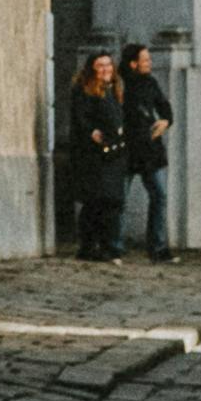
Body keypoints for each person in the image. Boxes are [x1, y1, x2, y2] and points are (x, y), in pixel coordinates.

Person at [113, 38, 179, 262]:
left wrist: (166, 121)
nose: (149, 63)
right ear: (133, 63)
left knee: (160, 195)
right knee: (119, 198)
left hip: (150, 148)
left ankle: (158, 248)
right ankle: (115, 246)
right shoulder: (119, 83)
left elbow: (164, 106)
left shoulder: (150, 82)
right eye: (145, 60)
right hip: (127, 149)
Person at [60, 43, 122, 259]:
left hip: (111, 155)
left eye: (108, 65)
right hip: (92, 156)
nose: (106, 69)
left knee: (109, 203)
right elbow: (82, 121)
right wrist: (95, 134)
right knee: (94, 203)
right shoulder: (83, 91)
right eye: (100, 66)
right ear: (92, 69)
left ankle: (107, 246)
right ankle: (88, 247)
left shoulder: (113, 91)